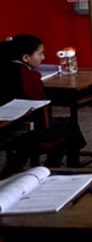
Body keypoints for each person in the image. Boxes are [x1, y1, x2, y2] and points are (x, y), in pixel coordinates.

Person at [0, 34, 86, 173]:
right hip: (29, 129)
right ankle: (63, 165)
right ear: (26, 57)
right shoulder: (29, 76)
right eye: (40, 54)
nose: (43, 57)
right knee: (69, 125)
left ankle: (44, 164)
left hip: (8, 125)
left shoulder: (5, 69)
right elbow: (41, 104)